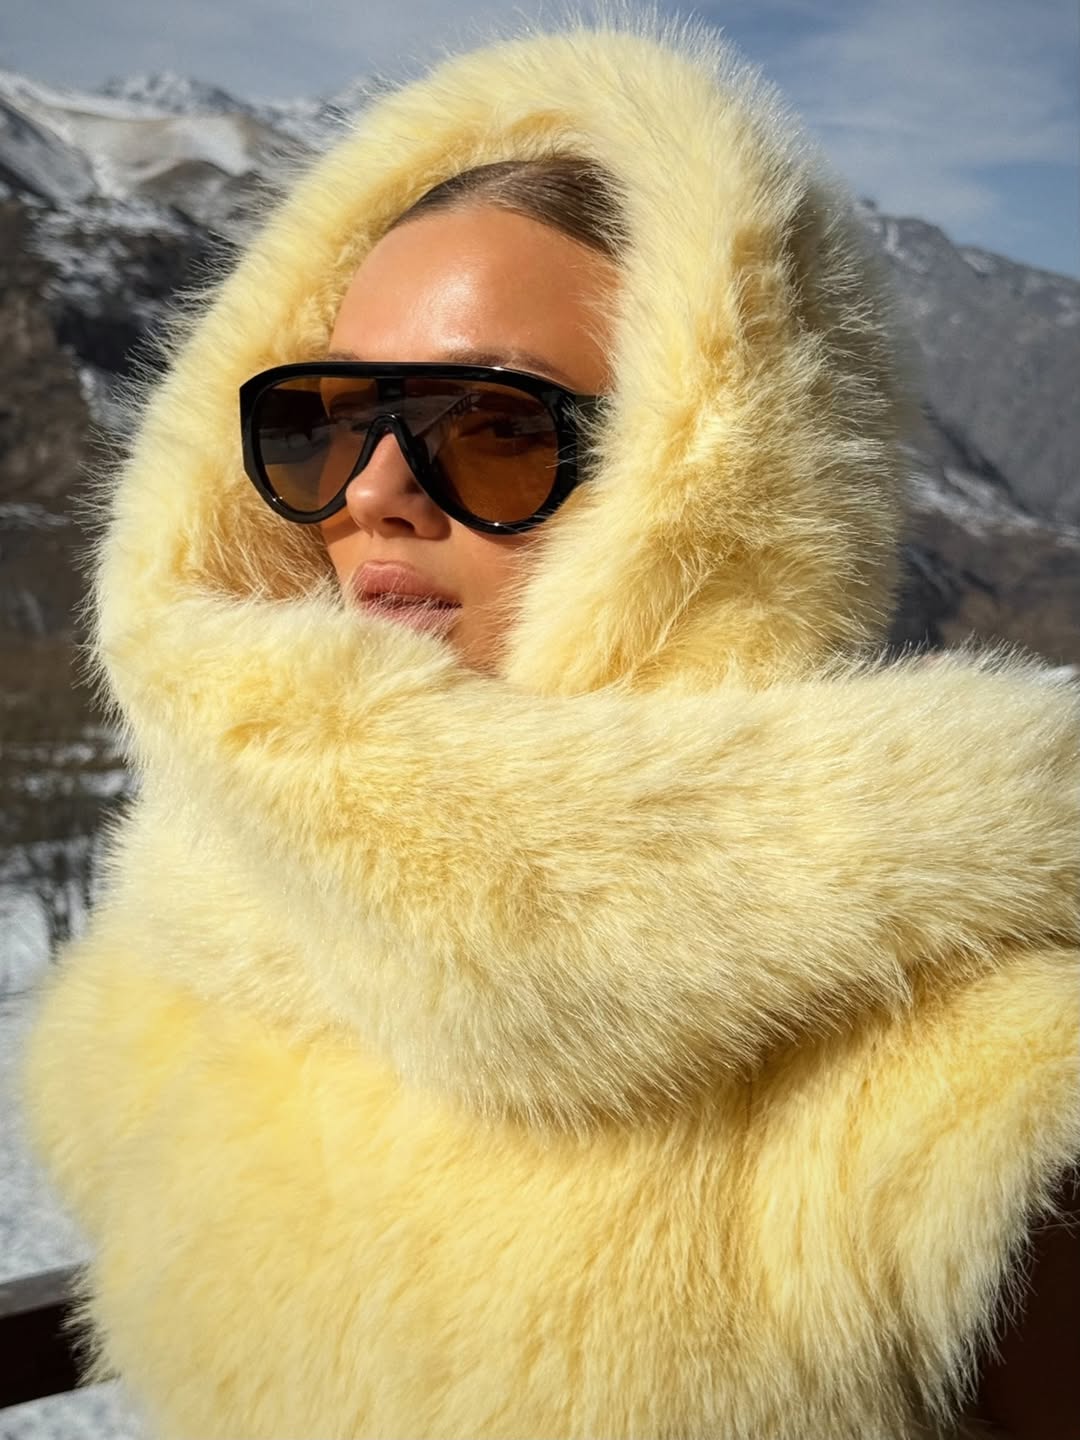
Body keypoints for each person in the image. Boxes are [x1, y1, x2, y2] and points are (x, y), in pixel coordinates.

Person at [19, 17, 1079, 1440]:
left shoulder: (980, 1100)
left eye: (492, 426)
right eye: (322, 420)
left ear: (707, 486)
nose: (371, 494)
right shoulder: (170, 971)